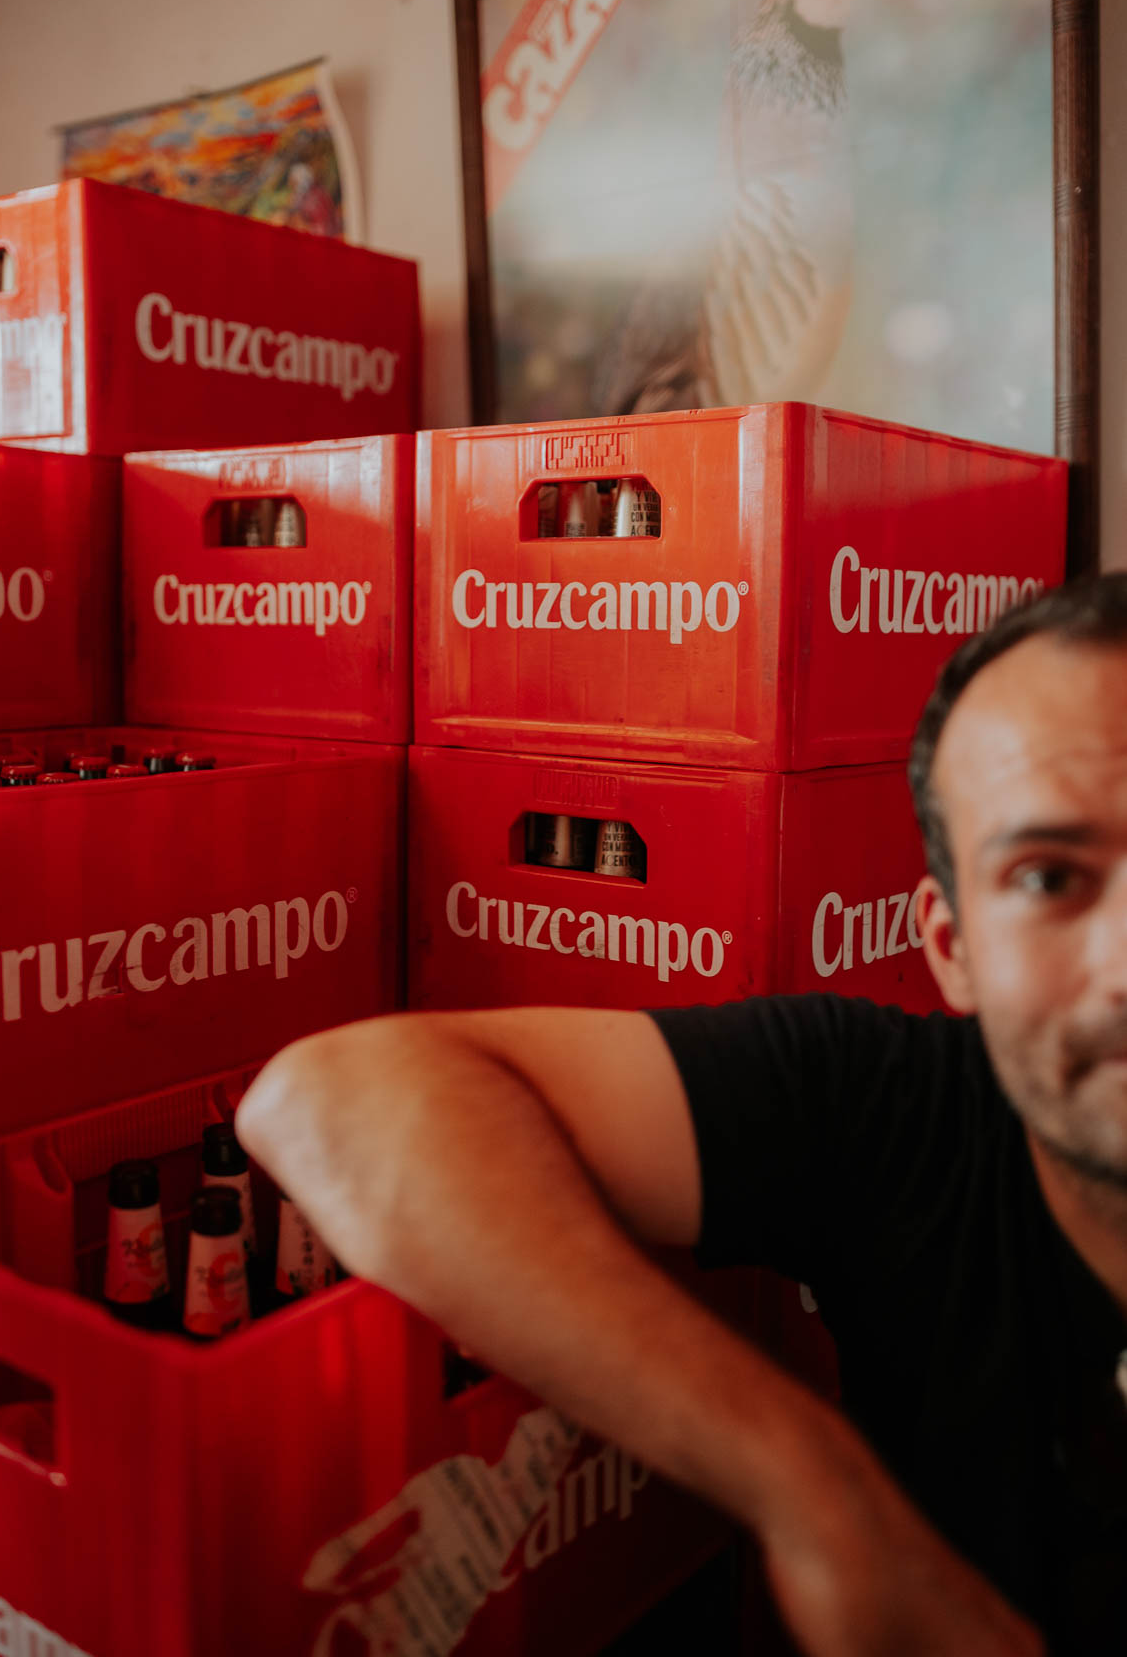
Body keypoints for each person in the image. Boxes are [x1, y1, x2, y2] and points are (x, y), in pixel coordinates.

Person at [237, 573, 1127, 1657]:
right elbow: (329, 1098)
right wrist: (817, 1491)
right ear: (951, 946)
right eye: (1047, 878)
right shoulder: (901, 1107)